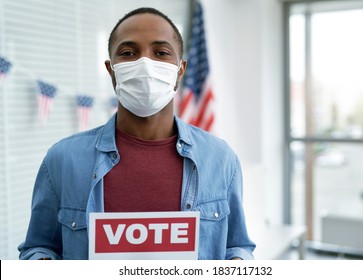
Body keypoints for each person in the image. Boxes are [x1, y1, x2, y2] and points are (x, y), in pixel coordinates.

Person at [18, 7, 255, 260]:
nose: (145, 64)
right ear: (111, 71)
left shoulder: (220, 158)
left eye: (161, 53)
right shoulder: (63, 159)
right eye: (128, 53)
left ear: (180, 69)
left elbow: (236, 246)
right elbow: (39, 247)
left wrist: (238, 262)